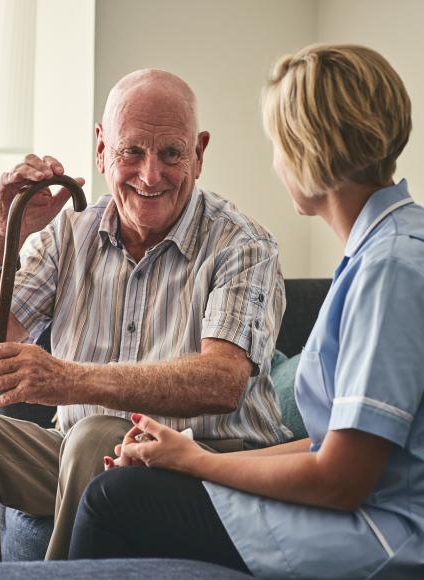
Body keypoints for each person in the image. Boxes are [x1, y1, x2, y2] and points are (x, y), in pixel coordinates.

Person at [0, 68, 289, 564]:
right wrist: (3, 234)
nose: (151, 176)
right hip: (74, 453)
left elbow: (222, 382)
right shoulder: (69, 235)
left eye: (171, 153)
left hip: (203, 465)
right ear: (102, 148)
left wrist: (71, 380)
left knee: (93, 435)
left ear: (199, 153)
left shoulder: (242, 244)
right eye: (132, 151)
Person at [68, 45, 424, 579]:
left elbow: (341, 481)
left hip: (380, 534)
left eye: (278, 144)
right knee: (131, 485)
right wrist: (186, 458)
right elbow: (335, 446)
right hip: (364, 510)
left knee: (114, 500)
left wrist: (202, 462)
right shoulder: (382, 249)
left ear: (308, 150)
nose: (276, 161)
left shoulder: (390, 268)